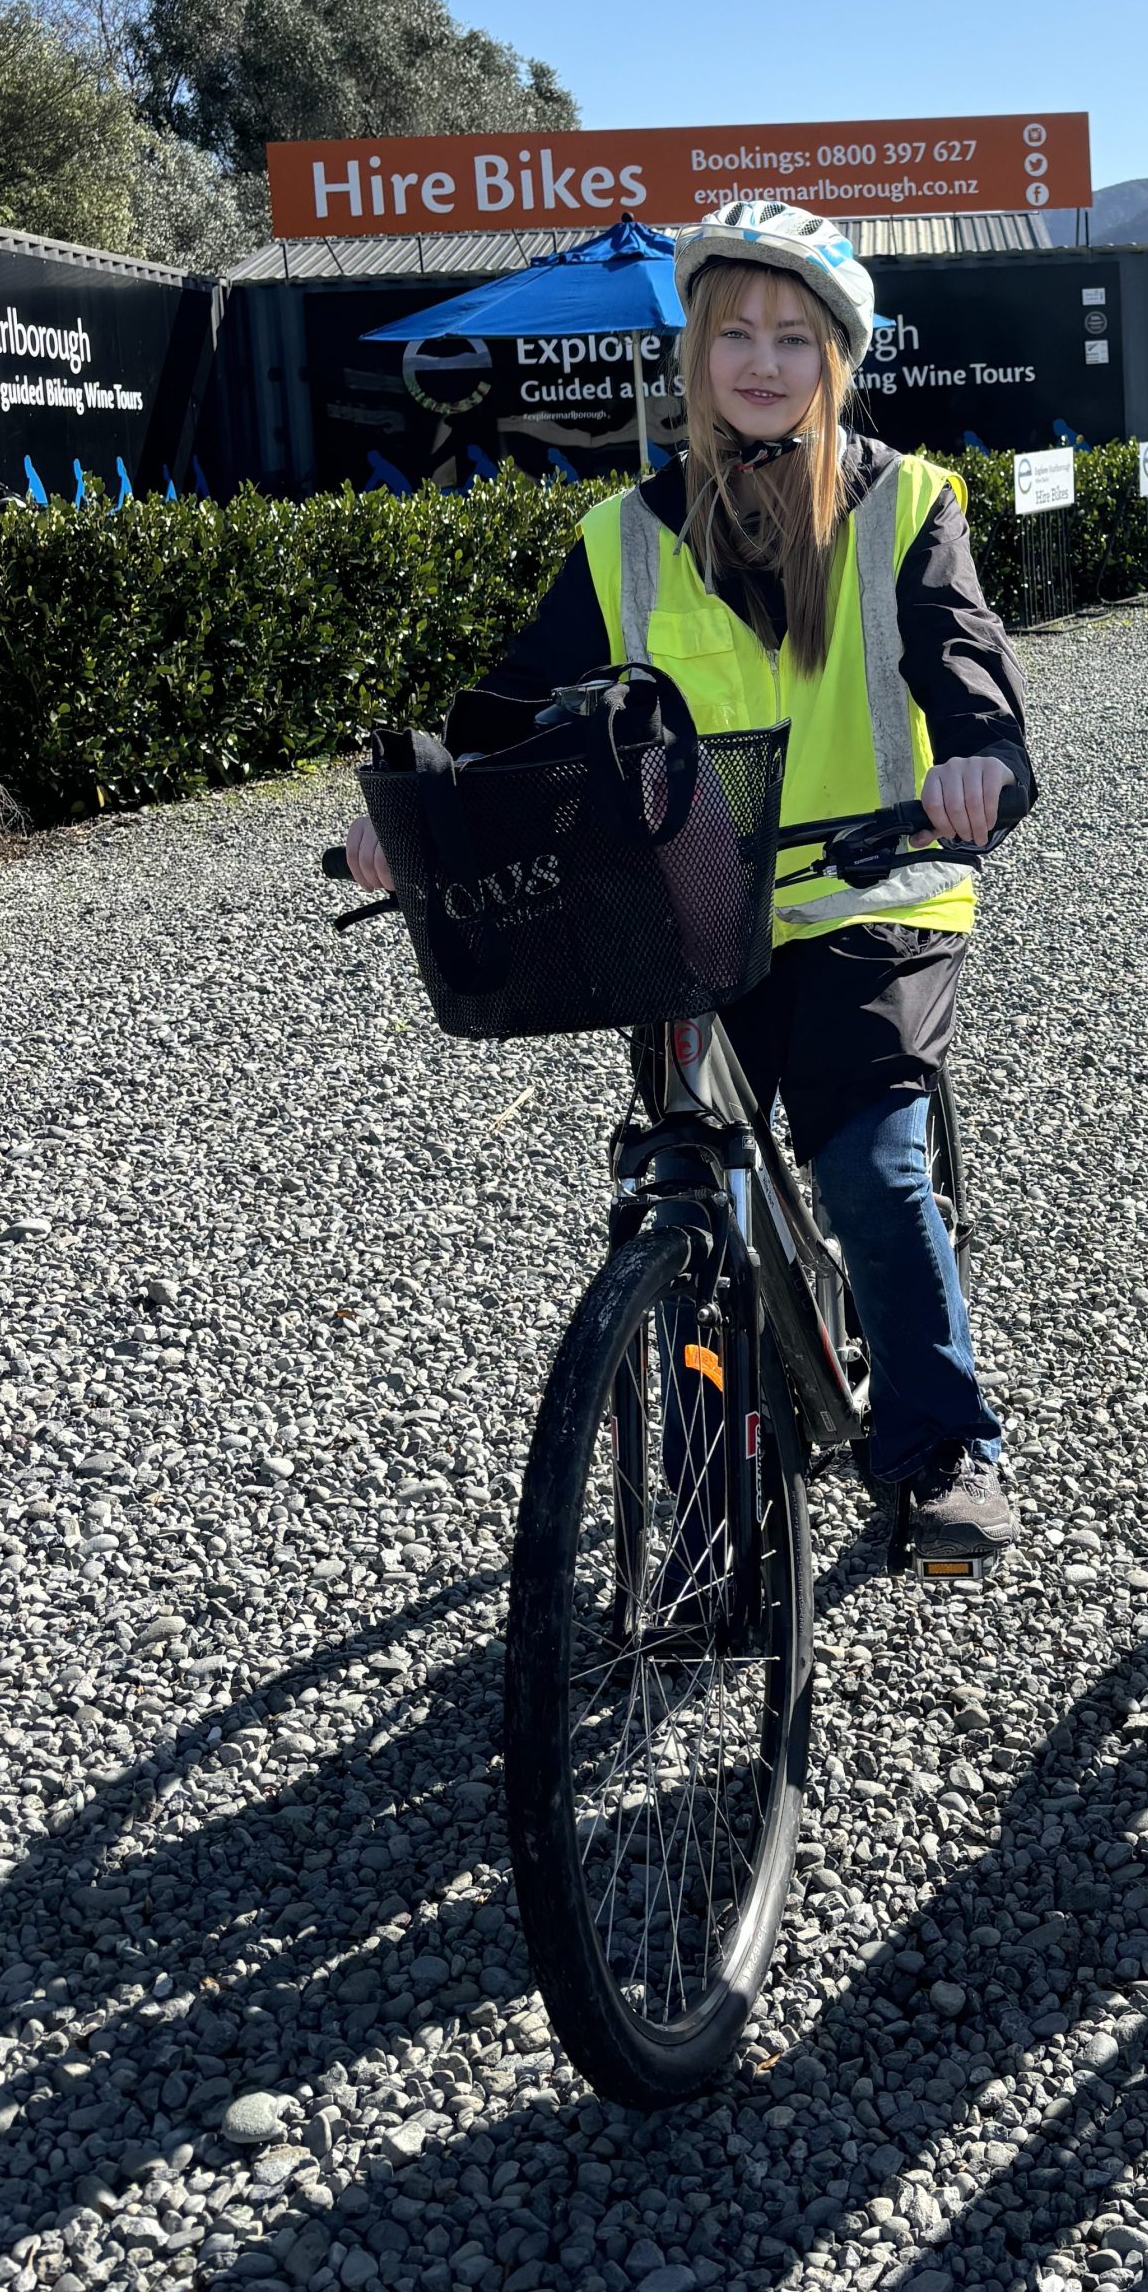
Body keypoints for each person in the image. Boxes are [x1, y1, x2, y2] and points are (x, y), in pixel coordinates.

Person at [344, 199, 1031, 1556]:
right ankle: (714, 1479)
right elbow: (516, 710)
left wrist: (984, 764)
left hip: (872, 891)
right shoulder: (627, 534)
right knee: (691, 1190)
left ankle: (941, 1445)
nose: (762, 362)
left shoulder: (908, 502)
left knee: (874, 1167)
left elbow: (962, 660)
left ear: (841, 355)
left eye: (794, 336)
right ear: (695, 352)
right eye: (735, 335)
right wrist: (417, 813)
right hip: (688, 913)